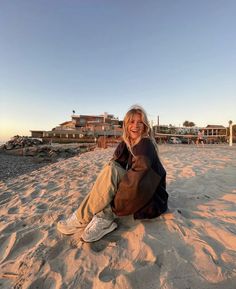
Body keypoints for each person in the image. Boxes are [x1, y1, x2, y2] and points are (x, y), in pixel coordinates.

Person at [57, 105, 168, 242]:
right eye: (132, 122)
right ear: (126, 124)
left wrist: (110, 209)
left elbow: (137, 181)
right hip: (134, 188)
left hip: (150, 195)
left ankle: (95, 217)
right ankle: (90, 216)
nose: (136, 126)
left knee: (113, 171)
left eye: (140, 122)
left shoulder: (145, 145)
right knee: (111, 168)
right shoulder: (126, 144)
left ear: (145, 126)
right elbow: (113, 174)